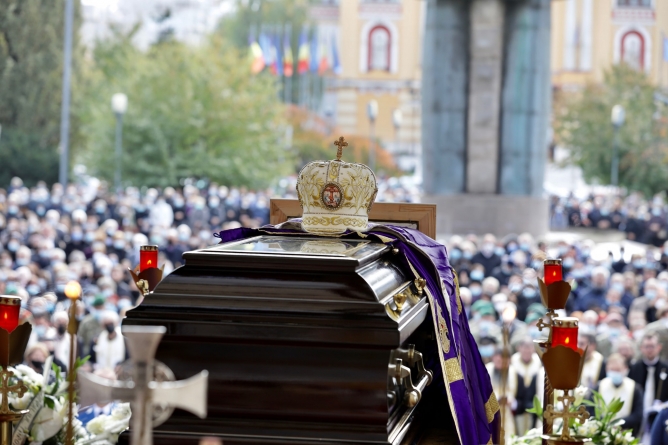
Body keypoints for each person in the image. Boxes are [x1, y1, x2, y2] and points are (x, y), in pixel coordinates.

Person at [628, 333, 668, 439]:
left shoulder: (666, 367)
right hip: (638, 414)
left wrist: (663, 405)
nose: (649, 350)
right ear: (641, 348)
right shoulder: (635, 368)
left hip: (660, 414)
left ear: (659, 347)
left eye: (652, 346)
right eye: (647, 346)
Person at [593, 353, 644, 436]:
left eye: (618, 370)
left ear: (626, 369)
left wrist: (619, 424)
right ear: (607, 369)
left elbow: (638, 414)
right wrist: (605, 423)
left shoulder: (635, 388)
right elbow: (591, 409)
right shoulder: (599, 386)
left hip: (625, 433)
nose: (614, 373)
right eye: (612, 370)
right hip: (601, 432)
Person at [511, 337, 541, 435]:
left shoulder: (539, 361)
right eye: (524, 347)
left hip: (533, 402)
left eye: (529, 348)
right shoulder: (513, 361)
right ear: (519, 348)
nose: (527, 350)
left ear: (533, 349)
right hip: (518, 403)